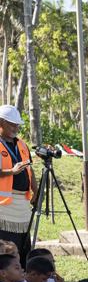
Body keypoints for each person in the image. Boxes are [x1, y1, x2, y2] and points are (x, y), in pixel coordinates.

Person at [0, 105, 36, 260]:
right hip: (3, 206)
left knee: (23, 245)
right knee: (7, 246)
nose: (16, 128)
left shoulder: (22, 144)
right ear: (1, 122)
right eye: (12, 124)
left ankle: (21, 276)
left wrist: (36, 189)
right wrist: (11, 172)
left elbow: (29, 169)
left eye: (17, 125)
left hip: (22, 203)